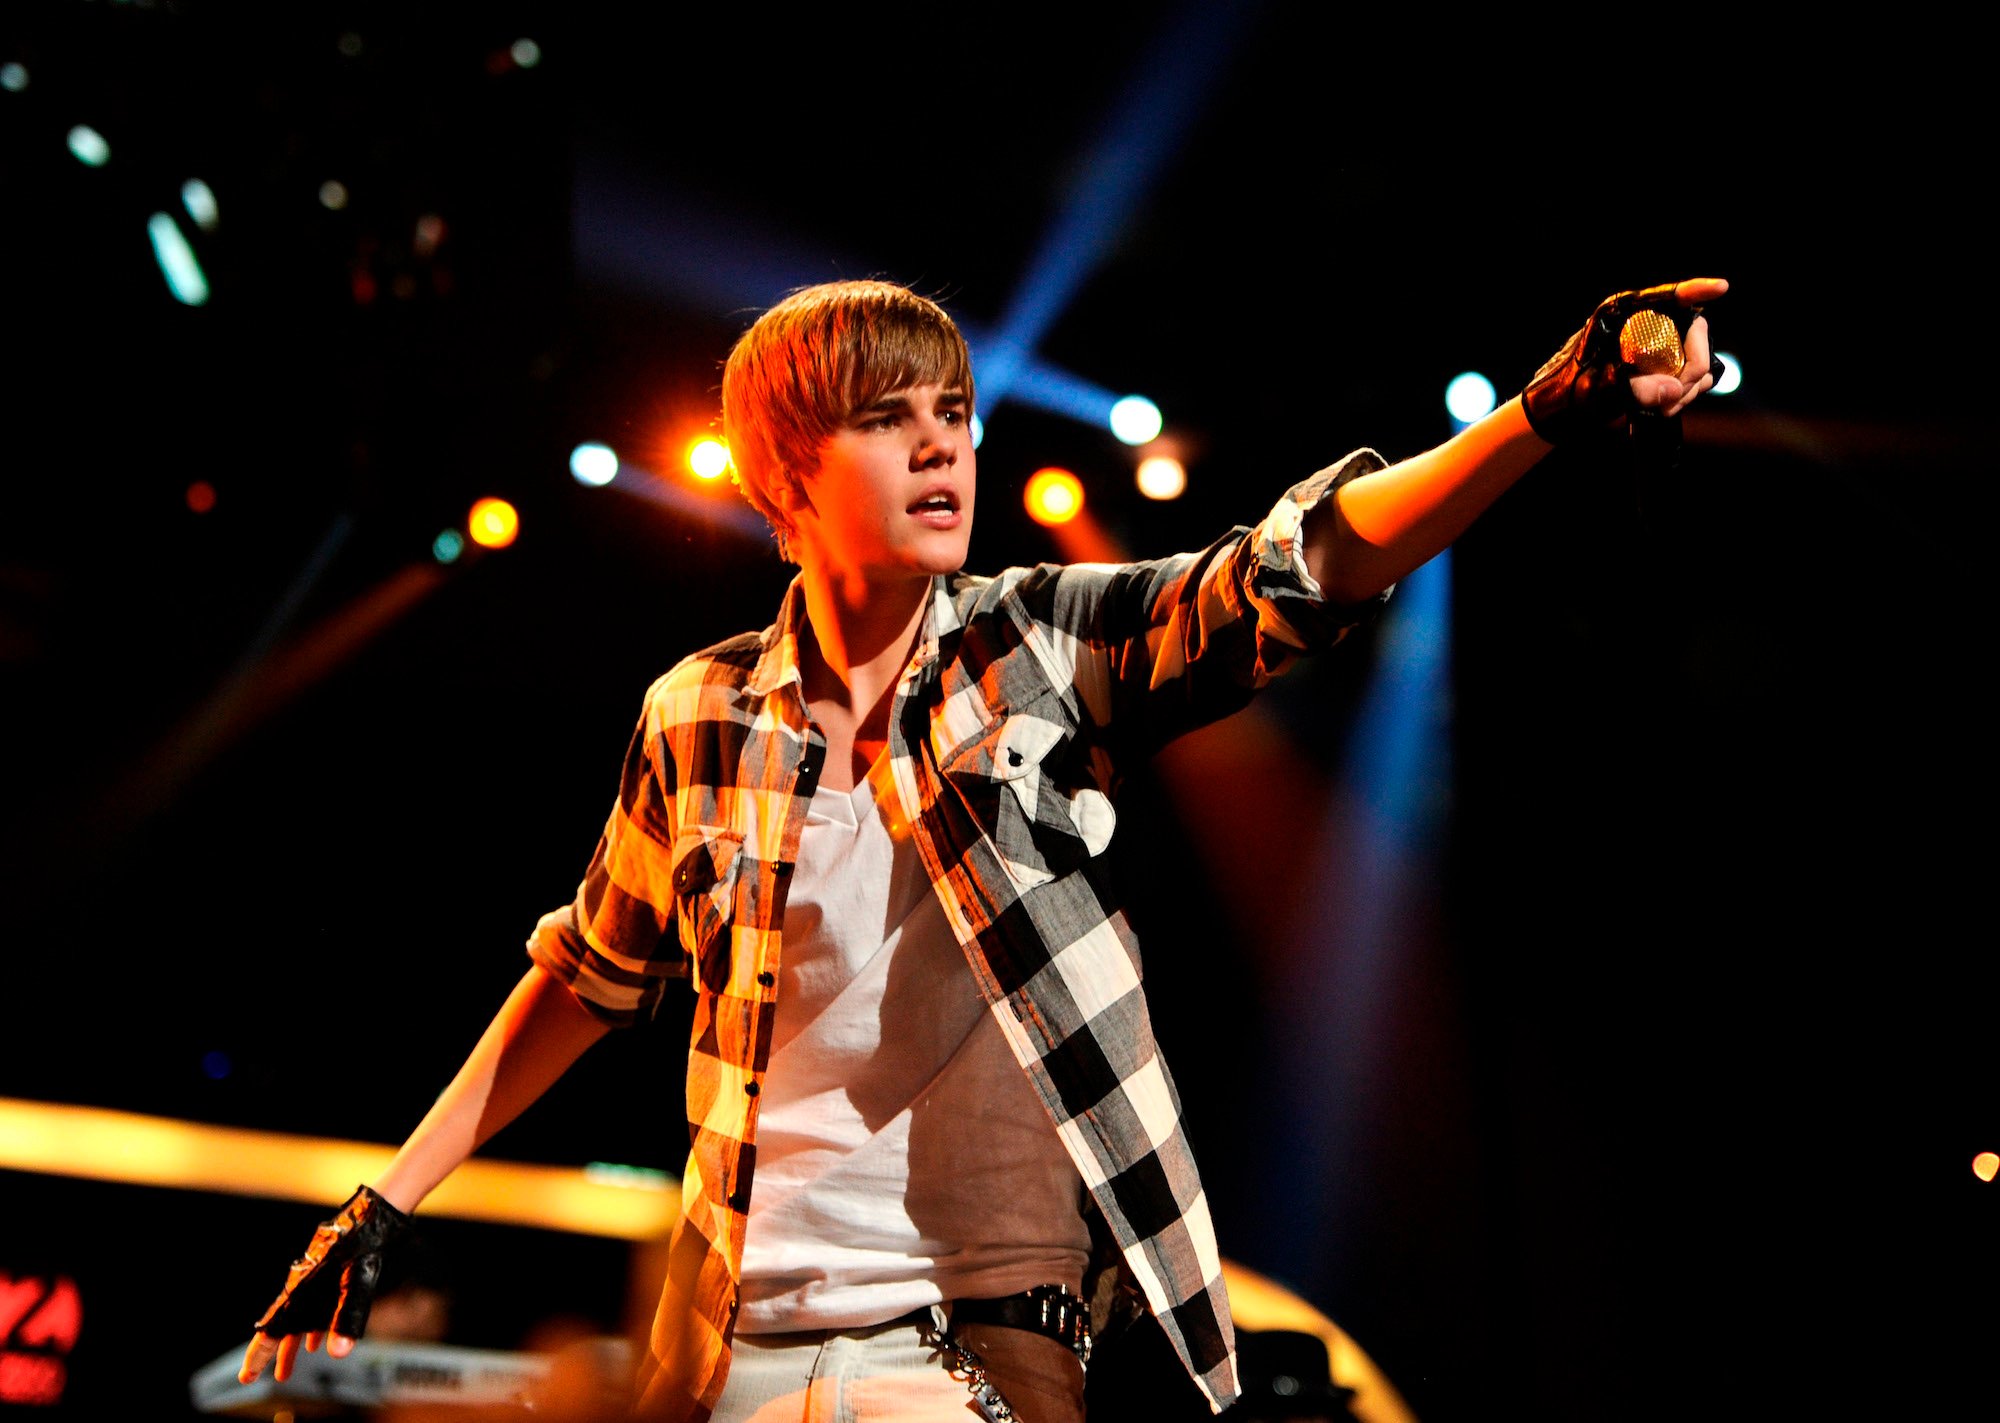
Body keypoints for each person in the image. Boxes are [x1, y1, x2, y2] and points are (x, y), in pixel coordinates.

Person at [239, 277, 1726, 1421]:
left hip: (968, 1347)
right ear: (783, 474)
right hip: (728, 1345)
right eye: (890, 419)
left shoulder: (1035, 644)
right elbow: (590, 973)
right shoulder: (695, 711)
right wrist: (390, 1194)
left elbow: (1300, 566)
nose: (943, 441)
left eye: (953, 411)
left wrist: (1542, 413)